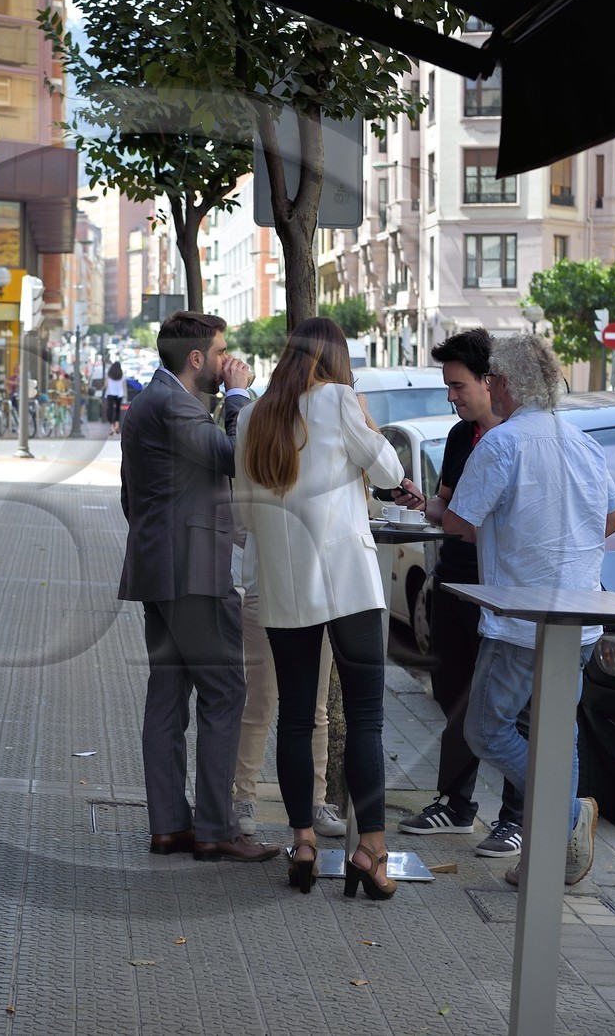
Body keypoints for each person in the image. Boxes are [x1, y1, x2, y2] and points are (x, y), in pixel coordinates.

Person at [234, 317, 411, 899]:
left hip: (286, 590)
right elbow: (389, 473)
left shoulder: (254, 416)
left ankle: (303, 841)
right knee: (363, 717)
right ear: (336, 361)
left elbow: (241, 517)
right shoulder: (339, 402)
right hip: (350, 585)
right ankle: (371, 851)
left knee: (295, 715)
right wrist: (362, 415)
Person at [443, 333, 615, 887]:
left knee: (484, 729)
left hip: (521, 616)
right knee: (558, 734)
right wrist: (563, 542)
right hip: (580, 614)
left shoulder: (501, 444)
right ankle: (551, 857)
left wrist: (434, 507)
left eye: (490, 379)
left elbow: (459, 522)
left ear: (501, 383)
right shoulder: (582, 442)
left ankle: (568, 815)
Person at [119, 311, 280, 864]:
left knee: (168, 696)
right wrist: (239, 397)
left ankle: (169, 825)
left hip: (160, 569)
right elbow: (230, 457)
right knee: (225, 693)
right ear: (196, 359)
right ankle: (214, 828)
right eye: (219, 352)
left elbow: (128, 496)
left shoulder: (149, 402)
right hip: (193, 573)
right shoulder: (176, 404)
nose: (225, 361)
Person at [397, 329, 526, 861]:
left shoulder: (522, 439)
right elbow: (448, 510)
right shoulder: (458, 438)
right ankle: (455, 803)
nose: (452, 396)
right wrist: (419, 502)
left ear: (491, 381)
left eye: (458, 385)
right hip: (454, 584)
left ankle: (517, 818)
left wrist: (457, 520)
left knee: (514, 709)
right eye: (448, 386)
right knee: (454, 697)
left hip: (504, 592)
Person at [230, 519, 345, 841]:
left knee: (316, 708)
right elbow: (238, 520)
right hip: (264, 591)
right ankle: (244, 799)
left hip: (317, 597)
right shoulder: (259, 468)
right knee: (261, 700)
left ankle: (316, 803)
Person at [105, 361, 126, 436]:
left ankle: (112, 427)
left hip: (110, 394)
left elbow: (105, 385)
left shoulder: (109, 375)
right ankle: (117, 426)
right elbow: (124, 386)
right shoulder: (122, 375)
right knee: (117, 410)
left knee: (110, 410)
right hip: (119, 395)